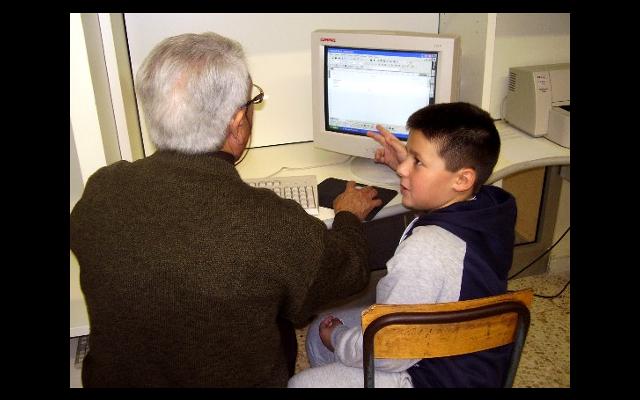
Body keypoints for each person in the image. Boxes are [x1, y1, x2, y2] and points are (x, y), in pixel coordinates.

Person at [69, 32, 383, 388]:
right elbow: (350, 272)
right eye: (252, 102)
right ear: (237, 123)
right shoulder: (271, 224)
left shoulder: (101, 190)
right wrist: (347, 215)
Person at [288, 102, 517, 388]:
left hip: (434, 376)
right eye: (408, 155)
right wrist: (408, 166)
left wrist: (337, 337)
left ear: (462, 179)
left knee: (303, 379)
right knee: (317, 334)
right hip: (476, 356)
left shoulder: (426, 249)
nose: (404, 169)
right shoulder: (491, 206)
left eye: (417, 162)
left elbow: (389, 353)